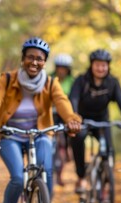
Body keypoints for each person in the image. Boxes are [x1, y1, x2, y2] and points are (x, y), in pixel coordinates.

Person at [0, 37, 82, 203]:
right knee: (18, 178)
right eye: (30, 57)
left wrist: (72, 118)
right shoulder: (8, 79)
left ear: (44, 62)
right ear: (23, 59)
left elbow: (62, 101)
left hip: (40, 134)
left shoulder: (50, 82)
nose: (34, 62)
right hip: (10, 135)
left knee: (46, 171)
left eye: (39, 58)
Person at [69, 49, 121, 194]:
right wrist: (74, 118)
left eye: (104, 65)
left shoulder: (112, 82)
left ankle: (105, 186)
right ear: (92, 65)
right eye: (97, 65)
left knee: (109, 152)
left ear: (108, 66)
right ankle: (81, 176)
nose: (101, 68)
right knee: (78, 138)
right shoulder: (81, 80)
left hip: (102, 120)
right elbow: (73, 99)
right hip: (83, 119)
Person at [51, 53, 74, 186]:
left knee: (64, 143)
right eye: (59, 67)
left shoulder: (72, 81)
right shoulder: (50, 78)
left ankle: (60, 174)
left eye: (64, 68)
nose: (61, 70)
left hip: (64, 116)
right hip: (51, 114)